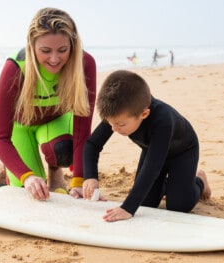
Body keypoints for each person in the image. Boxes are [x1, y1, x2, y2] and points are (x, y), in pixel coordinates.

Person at [0, 7, 96, 201]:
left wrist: (79, 181)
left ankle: (55, 171)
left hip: (56, 123)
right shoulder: (15, 68)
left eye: (63, 50)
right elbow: (0, 138)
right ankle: (8, 167)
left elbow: (83, 131)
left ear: (73, 45)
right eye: (45, 51)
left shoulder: (84, 64)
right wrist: (27, 177)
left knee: (63, 149)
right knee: (31, 193)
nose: (55, 59)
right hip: (21, 128)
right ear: (32, 46)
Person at [82, 70, 211, 222]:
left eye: (120, 124)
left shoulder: (163, 119)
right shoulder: (117, 113)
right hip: (152, 150)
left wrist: (128, 208)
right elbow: (92, 145)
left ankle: (199, 180)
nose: (114, 129)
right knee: (146, 204)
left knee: (179, 206)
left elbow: (152, 167)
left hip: (182, 152)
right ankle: (168, 186)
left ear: (144, 114)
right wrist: (90, 177)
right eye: (110, 123)